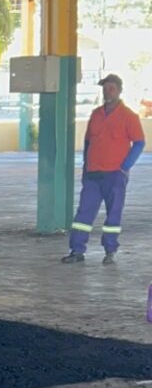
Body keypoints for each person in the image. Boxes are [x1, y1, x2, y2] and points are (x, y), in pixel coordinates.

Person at [62, 73, 145, 265]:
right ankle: (76, 250)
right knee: (83, 213)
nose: (107, 92)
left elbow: (139, 143)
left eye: (111, 88)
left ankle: (110, 251)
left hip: (115, 175)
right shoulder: (96, 114)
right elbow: (88, 142)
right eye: (105, 89)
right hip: (93, 174)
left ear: (119, 91)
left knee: (113, 214)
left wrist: (125, 167)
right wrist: (86, 166)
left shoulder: (128, 116)